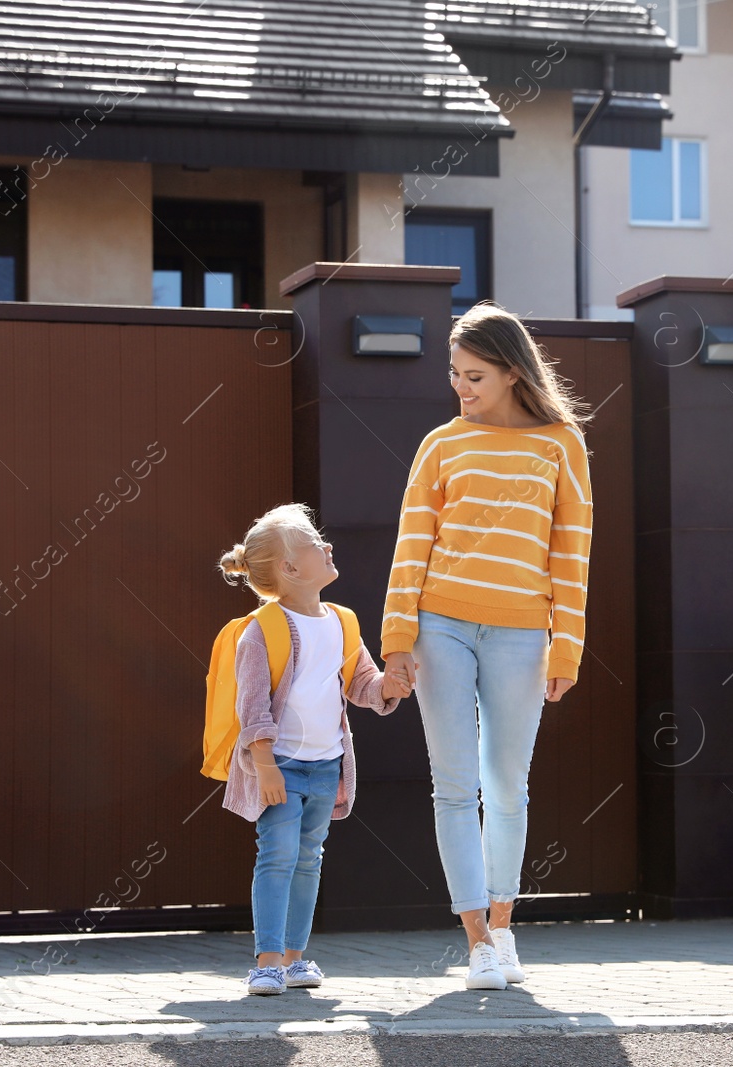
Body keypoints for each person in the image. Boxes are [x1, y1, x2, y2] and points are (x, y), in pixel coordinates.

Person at [380, 302, 594, 991]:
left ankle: (503, 928)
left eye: (474, 375)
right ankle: (475, 941)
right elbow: (412, 545)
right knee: (453, 786)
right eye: (455, 373)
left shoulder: (561, 443)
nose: (460, 387)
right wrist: (397, 640)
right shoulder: (441, 445)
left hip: (523, 631)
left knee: (507, 786)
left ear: (510, 371)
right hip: (439, 623)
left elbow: (571, 554)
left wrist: (567, 649)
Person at [218, 503, 409, 996]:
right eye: (313, 541)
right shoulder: (263, 630)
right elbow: (252, 706)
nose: (327, 545)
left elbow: (363, 685)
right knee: (278, 855)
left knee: (308, 858)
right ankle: (266, 962)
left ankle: (296, 958)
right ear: (289, 568)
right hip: (279, 764)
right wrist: (265, 767)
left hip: (327, 766)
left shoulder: (343, 622)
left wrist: (390, 685)